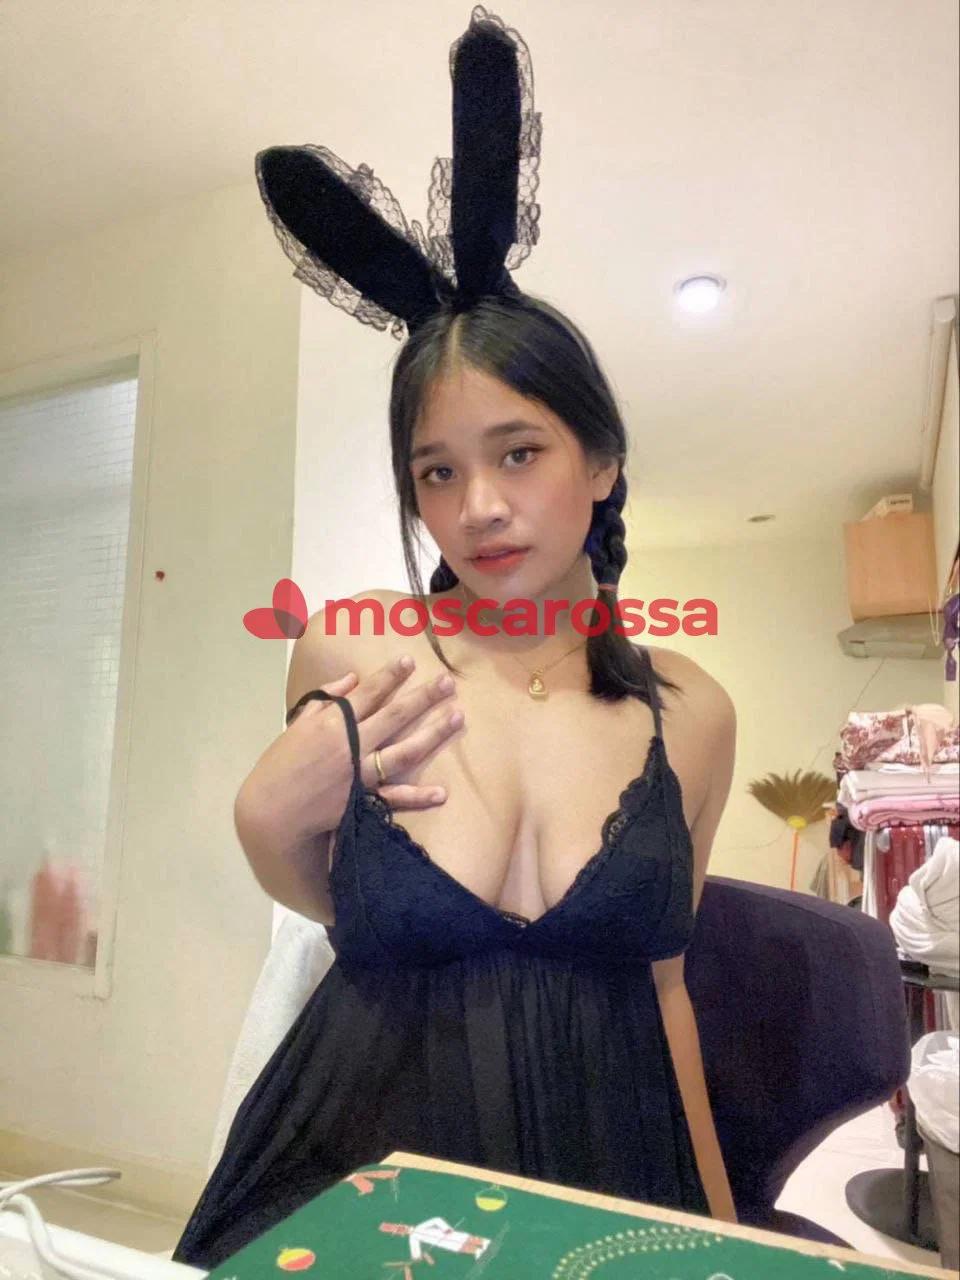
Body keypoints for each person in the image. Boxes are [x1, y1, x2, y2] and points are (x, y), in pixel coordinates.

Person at [172, 10, 737, 1270]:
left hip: (609, 1183)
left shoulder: (692, 711)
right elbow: (333, 903)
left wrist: (723, 1228)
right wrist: (260, 820)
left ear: (602, 461)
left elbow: (664, 988)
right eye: (436, 470)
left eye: (518, 452)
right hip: (352, 1181)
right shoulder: (349, 656)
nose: (477, 506)